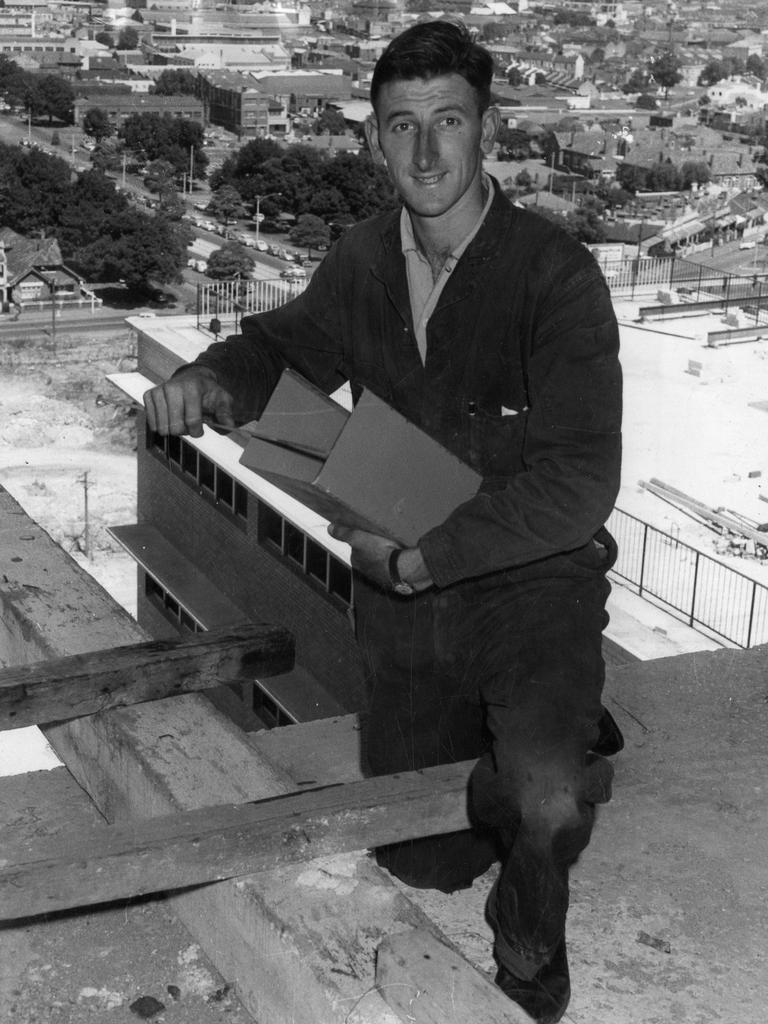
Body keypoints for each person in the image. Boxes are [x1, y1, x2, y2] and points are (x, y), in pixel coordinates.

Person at [144, 20, 623, 1023]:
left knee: (540, 798)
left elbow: (579, 482)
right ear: (373, 139)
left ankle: (534, 947)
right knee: (425, 863)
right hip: (409, 600)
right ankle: (559, 736)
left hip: (532, 580)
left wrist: (427, 556)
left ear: (487, 128)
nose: (426, 152)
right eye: (401, 126)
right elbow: (285, 348)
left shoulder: (554, 275)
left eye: (449, 121)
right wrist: (207, 377)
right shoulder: (362, 259)